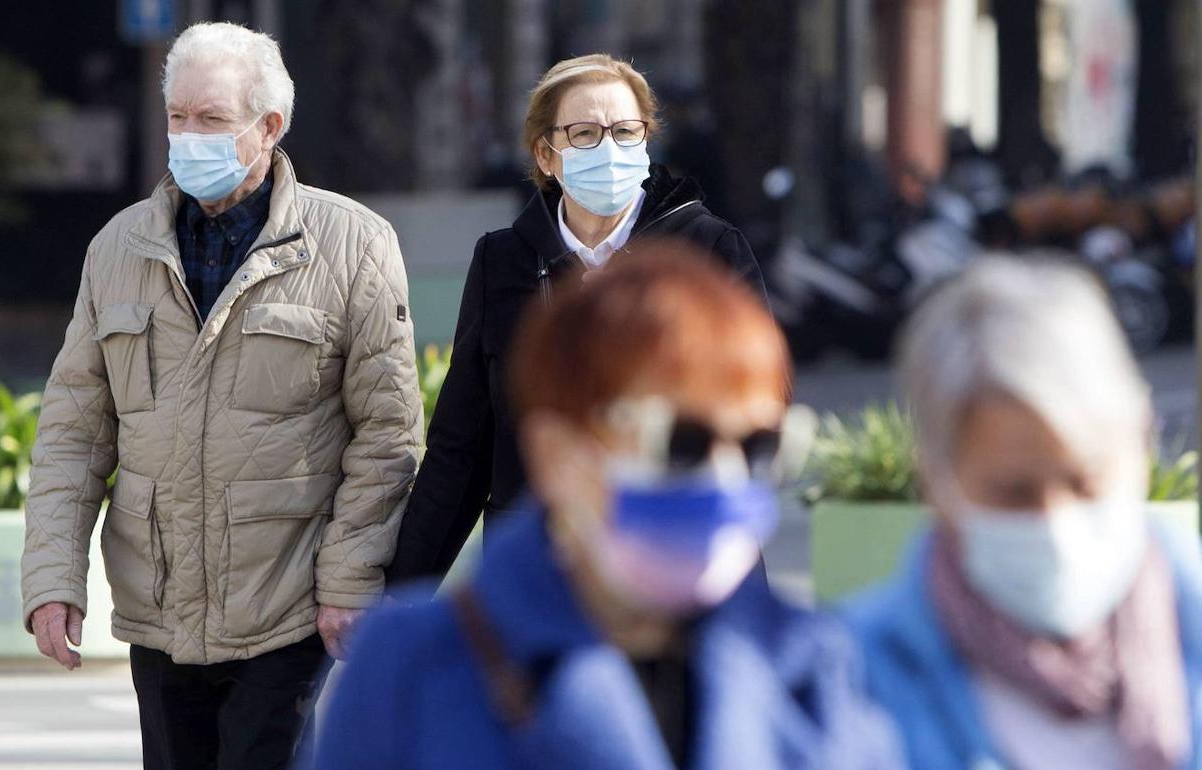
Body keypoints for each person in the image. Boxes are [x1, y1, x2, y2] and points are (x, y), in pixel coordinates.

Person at [311, 245, 903, 769]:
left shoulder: (817, 670)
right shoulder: (412, 668)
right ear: (559, 453)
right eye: (681, 442)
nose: (723, 477)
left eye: (758, 446)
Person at [19, 22, 423, 770]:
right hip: (158, 609)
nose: (188, 136)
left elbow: (388, 435)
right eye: (177, 117)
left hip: (287, 608)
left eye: (211, 119)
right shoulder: (117, 249)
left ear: (269, 126)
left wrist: (347, 580)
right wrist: (52, 579)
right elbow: (74, 431)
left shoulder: (352, 245)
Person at [388, 54, 767, 585]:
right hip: (537, 570)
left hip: (678, 565)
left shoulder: (707, 249)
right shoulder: (503, 262)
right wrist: (397, 592)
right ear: (547, 154)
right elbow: (461, 444)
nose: (608, 148)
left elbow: (760, 401)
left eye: (625, 131)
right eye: (585, 133)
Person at [845, 257, 1202, 770]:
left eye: (1086, 481)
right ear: (937, 482)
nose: (1056, 526)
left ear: (1141, 442)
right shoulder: (849, 685)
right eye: (1013, 493)